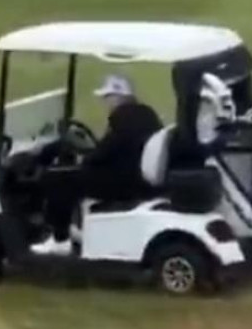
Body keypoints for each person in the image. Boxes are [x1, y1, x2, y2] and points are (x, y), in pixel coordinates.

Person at [32, 75, 163, 256]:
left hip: (125, 182)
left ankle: (60, 239)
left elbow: (103, 153)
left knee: (57, 179)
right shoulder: (147, 114)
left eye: (107, 97)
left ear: (119, 97)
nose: (105, 102)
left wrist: (85, 156)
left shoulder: (121, 117)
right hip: (137, 176)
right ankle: (76, 228)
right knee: (75, 175)